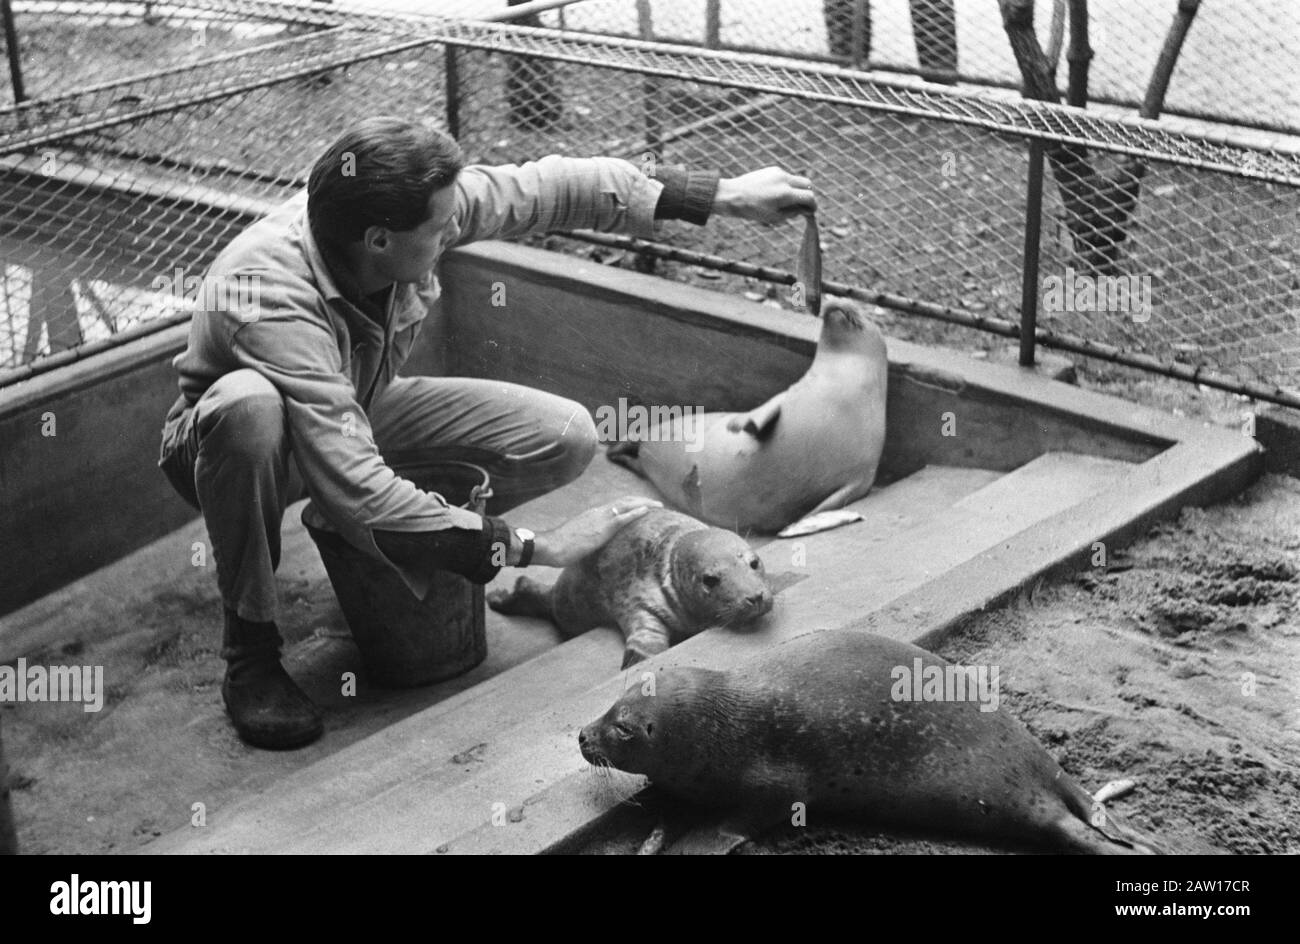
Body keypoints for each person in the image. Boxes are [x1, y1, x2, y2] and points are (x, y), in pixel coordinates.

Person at [157, 115, 815, 750]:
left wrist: (721, 195)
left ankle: (417, 544)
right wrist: (532, 546)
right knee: (251, 410)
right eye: (442, 227)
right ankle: (252, 649)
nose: (456, 225)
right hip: (238, 450)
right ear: (381, 241)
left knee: (564, 433)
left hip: (355, 408)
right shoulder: (267, 292)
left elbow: (559, 186)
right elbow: (352, 477)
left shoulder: (408, 210)